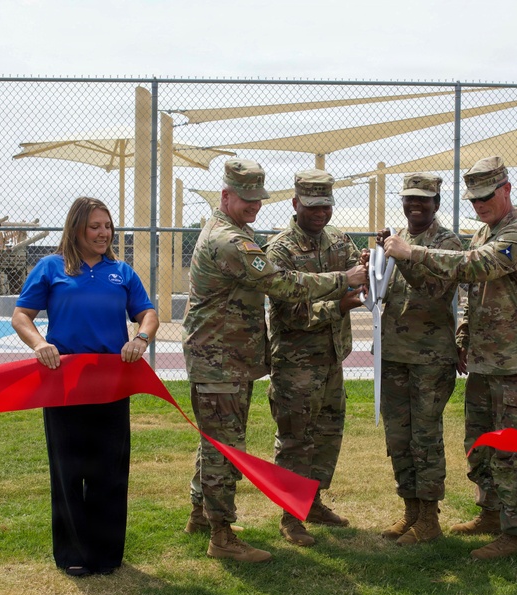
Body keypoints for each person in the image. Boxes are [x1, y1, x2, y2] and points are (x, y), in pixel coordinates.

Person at [183, 159, 368, 563]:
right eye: (246, 198)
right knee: (224, 447)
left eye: (258, 198)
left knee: (217, 442)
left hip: (228, 356)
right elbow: (281, 285)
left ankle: (201, 515)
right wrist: (344, 281)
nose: (254, 205)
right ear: (225, 195)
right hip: (220, 358)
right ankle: (221, 535)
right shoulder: (231, 242)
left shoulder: (236, 232)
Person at [382, 156, 517, 560]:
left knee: (513, 449)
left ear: (506, 190)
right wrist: (462, 337)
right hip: (484, 359)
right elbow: (474, 298)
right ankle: (491, 514)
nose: (479, 205)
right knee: (480, 445)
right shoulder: (485, 231)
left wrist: (412, 253)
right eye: (473, 198)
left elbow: (477, 268)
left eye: (486, 196)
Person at [12, 196, 159, 577]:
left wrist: (140, 339)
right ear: (76, 228)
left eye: (107, 226)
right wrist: (40, 344)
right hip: (64, 383)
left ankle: (107, 554)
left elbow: (147, 313)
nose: (103, 233)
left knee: (109, 468)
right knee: (68, 467)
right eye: (95, 226)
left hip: (111, 384)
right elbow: (21, 315)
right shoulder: (51, 267)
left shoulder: (121, 272)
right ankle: (73, 553)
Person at [265, 168, 365, 547]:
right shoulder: (281, 250)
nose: (320, 213)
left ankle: (314, 501)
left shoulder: (339, 242)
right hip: (296, 362)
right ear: (295, 204)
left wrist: (372, 265)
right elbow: (290, 313)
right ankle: (290, 517)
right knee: (295, 438)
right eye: (312, 206)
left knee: (327, 433)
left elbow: (362, 273)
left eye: (326, 205)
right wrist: (337, 306)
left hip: (332, 358)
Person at [376, 173, 462, 546]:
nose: (416, 205)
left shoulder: (447, 242)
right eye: (410, 198)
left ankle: (429, 518)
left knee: (425, 437)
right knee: (398, 436)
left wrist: (401, 257)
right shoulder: (398, 239)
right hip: (393, 353)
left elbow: (437, 289)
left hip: (430, 358)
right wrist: (374, 262)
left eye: (424, 200)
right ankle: (410, 509)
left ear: (437, 204)